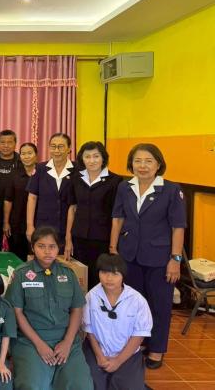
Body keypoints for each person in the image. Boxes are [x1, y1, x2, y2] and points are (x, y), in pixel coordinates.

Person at [110, 143, 186, 369]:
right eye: (137, 161)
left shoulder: (171, 190)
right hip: (129, 255)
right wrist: (113, 248)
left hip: (160, 258)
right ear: (131, 164)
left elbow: (178, 227)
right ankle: (138, 342)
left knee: (159, 305)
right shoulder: (125, 187)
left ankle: (157, 349)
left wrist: (175, 259)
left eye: (148, 161)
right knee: (133, 303)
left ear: (158, 164)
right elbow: (117, 218)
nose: (142, 166)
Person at [4, 226, 93, 390]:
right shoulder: (21, 274)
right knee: (31, 386)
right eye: (41, 246)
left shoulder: (68, 274)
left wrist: (67, 342)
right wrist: (39, 344)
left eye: (52, 246)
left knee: (81, 385)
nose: (47, 251)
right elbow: (17, 313)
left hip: (66, 339)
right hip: (30, 341)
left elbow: (77, 309)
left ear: (58, 248)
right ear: (33, 247)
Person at [82, 254, 153, 390]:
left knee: (128, 386)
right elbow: (89, 330)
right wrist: (99, 356)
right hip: (97, 351)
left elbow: (139, 335)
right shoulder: (91, 296)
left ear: (123, 276)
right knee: (92, 384)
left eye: (115, 274)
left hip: (127, 354)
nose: (109, 278)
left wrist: (118, 361)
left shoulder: (137, 300)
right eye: (104, 272)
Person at [64, 141, 122, 289]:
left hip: (103, 239)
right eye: (87, 156)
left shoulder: (115, 181)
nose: (92, 160)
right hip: (79, 237)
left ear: (103, 158)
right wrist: (68, 239)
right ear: (82, 159)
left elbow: (117, 216)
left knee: (100, 279)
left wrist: (113, 246)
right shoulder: (75, 178)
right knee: (80, 280)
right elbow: (72, 208)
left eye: (96, 156)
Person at [26, 133, 76, 249]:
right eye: (53, 146)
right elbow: (32, 197)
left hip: (68, 228)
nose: (56, 150)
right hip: (43, 226)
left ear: (69, 148)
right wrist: (29, 225)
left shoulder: (77, 169)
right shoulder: (40, 168)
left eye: (61, 146)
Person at [3, 142, 38, 261]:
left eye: (29, 153)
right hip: (17, 223)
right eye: (23, 154)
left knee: (36, 257)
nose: (26, 156)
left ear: (36, 155)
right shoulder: (14, 174)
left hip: (38, 223)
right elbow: (8, 200)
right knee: (17, 257)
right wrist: (6, 222)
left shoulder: (42, 173)